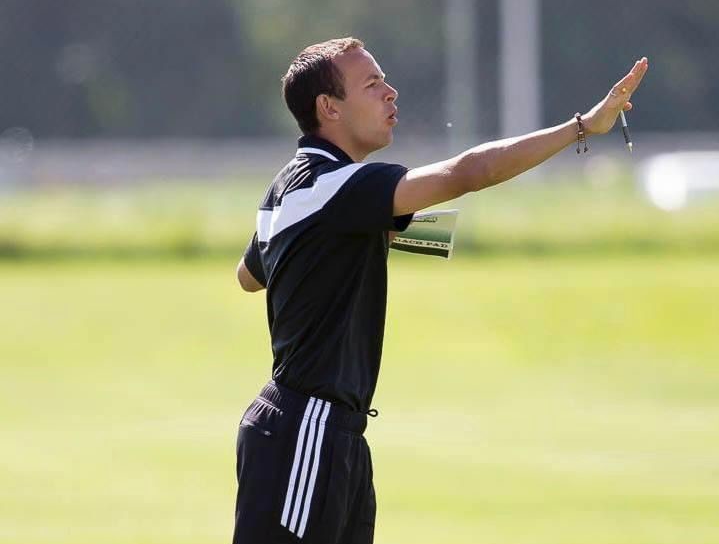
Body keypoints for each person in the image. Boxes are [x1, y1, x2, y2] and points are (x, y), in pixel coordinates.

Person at [233, 37, 649, 544]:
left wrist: (367, 237)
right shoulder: (336, 187)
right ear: (329, 107)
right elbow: (468, 172)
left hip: (328, 430)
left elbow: (249, 274)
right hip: (307, 430)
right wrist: (583, 127)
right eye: (372, 84)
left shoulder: (293, 188)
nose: (391, 92)